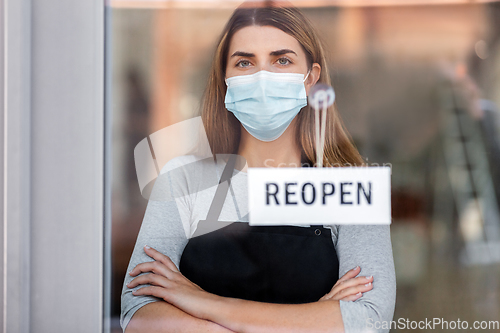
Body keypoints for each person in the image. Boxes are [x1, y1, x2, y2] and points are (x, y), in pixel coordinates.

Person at [121, 2, 396, 333]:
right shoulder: (182, 179)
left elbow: (369, 320)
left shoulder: (350, 187)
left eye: (282, 60)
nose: (262, 76)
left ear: (311, 79)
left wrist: (204, 302)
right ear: (225, 79)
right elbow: (138, 313)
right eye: (244, 62)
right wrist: (310, 319)